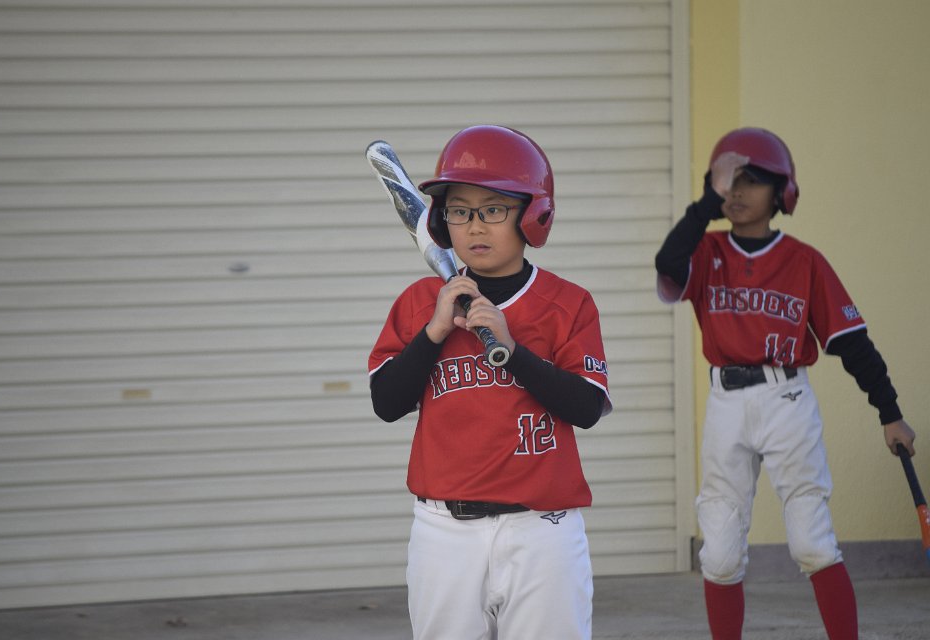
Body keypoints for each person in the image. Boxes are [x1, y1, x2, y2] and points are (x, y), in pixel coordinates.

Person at [655, 127, 916, 640]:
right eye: (729, 181)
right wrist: (706, 201)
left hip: (787, 397)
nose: (737, 191)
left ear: (782, 192)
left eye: (752, 181)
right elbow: (667, 263)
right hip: (727, 401)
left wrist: (890, 413)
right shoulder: (705, 252)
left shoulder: (804, 260)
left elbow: (853, 344)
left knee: (812, 543)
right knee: (720, 553)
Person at [368, 125, 613, 640]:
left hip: (542, 529)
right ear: (442, 221)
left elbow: (587, 408)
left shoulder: (568, 303)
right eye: (459, 210)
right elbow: (387, 403)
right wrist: (434, 332)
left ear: (531, 214)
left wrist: (512, 350)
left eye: (493, 209)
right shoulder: (421, 303)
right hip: (444, 531)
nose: (475, 225)